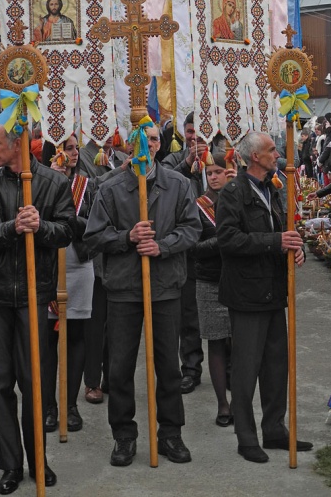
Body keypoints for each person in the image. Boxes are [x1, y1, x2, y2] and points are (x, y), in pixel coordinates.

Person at [0, 125, 76, 495]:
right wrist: (11, 228)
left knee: (35, 384)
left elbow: (67, 230)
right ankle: (10, 464)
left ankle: (38, 460)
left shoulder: (54, 184)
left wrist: (40, 226)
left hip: (33, 293)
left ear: (18, 144)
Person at [83, 123, 201, 467]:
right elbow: (93, 236)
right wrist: (127, 238)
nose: (149, 145)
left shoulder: (178, 184)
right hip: (123, 288)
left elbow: (191, 228)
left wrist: (161, 246)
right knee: (119, 367)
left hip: (164, 286)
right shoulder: (111, 187)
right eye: (142, 139)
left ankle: (170, 433)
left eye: (154, 139)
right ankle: (124, 434)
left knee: (167, 366)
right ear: (131, 145)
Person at [216, 131, 312, 463]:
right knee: (245, 369)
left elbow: (287, 230)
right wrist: (275, 242)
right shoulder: (232, 193)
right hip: (246, 294)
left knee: (275, 366)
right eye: (272, 150)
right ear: (255, 157)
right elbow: (228, 240)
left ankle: (275, 430)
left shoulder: (274, 188)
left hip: (273, 291)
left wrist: (297, 251)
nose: (277, 155)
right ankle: (246, 437)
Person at [44, 134, 95, 434]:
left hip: (79, 265)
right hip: (48, 267)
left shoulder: (87, 186)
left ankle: (71, 405)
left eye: (76, 148)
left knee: (76, 337)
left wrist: (69, 216)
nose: (74, 153)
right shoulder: (38, 182)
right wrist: (53, 187)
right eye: (68, 148)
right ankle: (50, 405)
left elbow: (94, 225)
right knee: (49, 341)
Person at [162, 112, 207, 394]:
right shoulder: (172, 159)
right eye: (190, 132)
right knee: (188, 314)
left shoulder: (219, 156)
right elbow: (163, 183)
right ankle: (190, 368)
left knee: (220, 308)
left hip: (216, 247)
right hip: (186, 248)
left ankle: (225, 362)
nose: (194, 139)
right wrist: (188, 161)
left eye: (199, 134)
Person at [193, 152, 236, 427]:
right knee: (216, 343)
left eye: (220, 171)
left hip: (239, 280)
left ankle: (240, 399)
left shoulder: (239, 196)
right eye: (210, 173)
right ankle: (223, 404)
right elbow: (192, 247)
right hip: (209, 280)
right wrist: (224, 241)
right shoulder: (198, 205)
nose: (214, 176)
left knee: (242, 343)